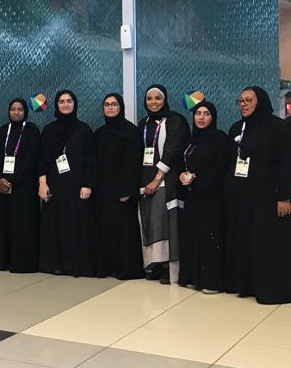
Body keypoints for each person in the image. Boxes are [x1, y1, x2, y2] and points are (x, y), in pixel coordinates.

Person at [225, 86, 291, 305]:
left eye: (248, 100)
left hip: (268, 196)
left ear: (260, 101)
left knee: (268, 244)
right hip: (244, 196)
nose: (243, 104)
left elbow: (285, 164)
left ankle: (271, 289)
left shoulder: (278, 128)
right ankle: (246, 285)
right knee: (246, 239)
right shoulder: (237, 127)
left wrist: (285, 196)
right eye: (240, 100)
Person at [38, 90, 96, 277]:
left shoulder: (84, 129)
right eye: (61, 101)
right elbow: (42, 160)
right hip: (54, 184)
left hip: (77, 185)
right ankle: (56, 263)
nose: (65, 104)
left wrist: (87, 184)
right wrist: (42, 183)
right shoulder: (49, 130)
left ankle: (75, 265)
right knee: (54, 223)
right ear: (56, 105)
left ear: (75, 104)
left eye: (69, 101)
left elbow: (91, 160)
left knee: (76, 224)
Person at [136, 84, 189, 285]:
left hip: (165, 180)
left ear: (165, 99)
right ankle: (155, 262)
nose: (153, 102)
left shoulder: (176, 121)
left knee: (164, 221)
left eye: (158, 98)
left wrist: (157, 179)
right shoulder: (144, 123)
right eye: (149, 99)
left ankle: (169, 264)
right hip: (145, 179)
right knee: (149, 220)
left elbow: (173, 150)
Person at [178, 100, 228, 293]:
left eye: (206, 114)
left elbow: (219, 169)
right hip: (192, 197)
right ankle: (193, 277)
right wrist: (183, 175)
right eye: (198, 113)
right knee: (192, 236)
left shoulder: (219, 139)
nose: (201, 117)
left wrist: (197, 177)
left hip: (211, 197)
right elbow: (183, 163)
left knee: (209, 237)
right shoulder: (191, 140)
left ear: (213, 117)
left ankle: (211, 281)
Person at [92, 94, 144, 280]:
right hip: (103, 190)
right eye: (106, 104)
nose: (110, 108)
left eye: (114, 104)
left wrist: (127, 189)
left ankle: (126, 268)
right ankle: (106, 266)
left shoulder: (131, 131)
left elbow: (133, 163)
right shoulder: (99, 133)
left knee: (124, 229)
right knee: (105, 227)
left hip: (123, 190)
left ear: (120, 107)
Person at [0, 98, 41, 272]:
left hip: (24, 186)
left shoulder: (32, 130)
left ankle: (22, 263)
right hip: (2, 186)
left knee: (23, 223)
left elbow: (32, 158)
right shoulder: (2, 130)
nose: (16, 112)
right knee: (5, 222)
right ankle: (5, 261)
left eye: (20, 109)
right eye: (13, 109)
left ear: (25, 111)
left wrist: (13, 179)